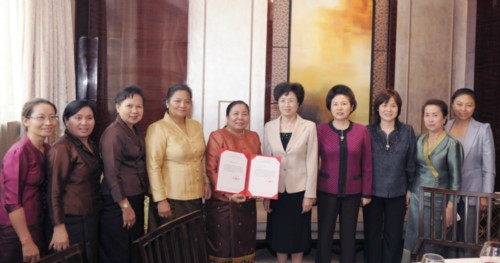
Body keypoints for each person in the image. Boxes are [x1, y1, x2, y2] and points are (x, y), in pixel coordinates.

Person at [316, 84, 373, 263]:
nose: (339, 108)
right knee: (325, 234)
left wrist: (366, 192)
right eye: (335, 104)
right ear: (329, 107)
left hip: (353, 191)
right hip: (326, 190)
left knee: (349, 235)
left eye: (344, 103)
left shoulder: (362, 130)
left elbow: (367, 163)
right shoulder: (320, 130)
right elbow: (312, 161)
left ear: (352, 106)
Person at [262, 82, 318, 263]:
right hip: (276, 189)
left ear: (298, 103)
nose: (287, 104)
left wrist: (310, 194)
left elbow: (312, 160)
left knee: (298, 233)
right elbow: (266, 160)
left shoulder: (309, 126)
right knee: (279, 232)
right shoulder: (269, 126)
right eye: (283, 100)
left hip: (299, 189)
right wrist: (266, 194)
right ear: (277, 102)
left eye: (291, 100)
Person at [403, 99, 463, 261]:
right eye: (427, 115)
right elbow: (412, 169)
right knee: (413, 237)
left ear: (444, 119)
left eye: (435, 115)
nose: (430, 119)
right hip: (417, 197)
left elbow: (456, 179)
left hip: (439, 201)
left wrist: (451, 206)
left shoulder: (452, 144)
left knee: (434, 239)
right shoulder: (418, 139)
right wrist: (409, 190)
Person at [145, 84, 211, 231]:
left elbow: (202, 157)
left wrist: (206, 181)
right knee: (173, 243)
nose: (183, 105)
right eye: (177, 101)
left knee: (192, 239)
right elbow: (153, 166)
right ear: (167, 103)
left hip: (195, 194)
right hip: (171, 197)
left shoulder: (196, 126)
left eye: (187, 101)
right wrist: (161, 199)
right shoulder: (157, 128)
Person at [0, 98, 58, 263]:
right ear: (25, 121)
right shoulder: (18, 153)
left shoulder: (47, 149)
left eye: (52, 117)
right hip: (16, 229)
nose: (48, 122)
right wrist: (26, 241)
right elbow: (12, 202)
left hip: (37, 221)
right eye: (41, 117)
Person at [363, 89, 416, 263]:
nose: (388, 109)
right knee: (372, 235)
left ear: (398, 109)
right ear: (377, 109)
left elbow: (411, 162)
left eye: (393, 105)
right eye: (384, 105)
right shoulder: (367, 131)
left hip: (398, 191)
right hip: (372, 192)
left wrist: (410, 189)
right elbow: (362, 163)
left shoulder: (407, 131)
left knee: (394, 236)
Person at [205, 101, 261, 263]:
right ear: (227, 116)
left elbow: (258, 167)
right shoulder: (217, 136)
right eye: (235, 113)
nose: (240, 118)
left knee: (245, 245)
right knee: (224, 247)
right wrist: (229, 194)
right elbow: (211, 169)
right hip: (223, 203)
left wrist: (259, 188)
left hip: (247, 202)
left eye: (244, 114)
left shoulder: (253, 136)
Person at [46, 100, 102, 263]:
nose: (84, 122)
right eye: (78, 118)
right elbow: (53, 191)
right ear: (66, 121)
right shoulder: (62, 148)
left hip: (90, 215)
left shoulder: (90, 143)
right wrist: (58, 226)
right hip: (71, 220)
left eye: (89, 118)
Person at [99, 86, 149, 263]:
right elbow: (111, 174)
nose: (134, 111)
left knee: (132, 250)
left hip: (133, 197)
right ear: (118, 107)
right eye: (129, 106)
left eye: (139, 106)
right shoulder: (113, 133)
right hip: (118, 202)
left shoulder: (133, 130)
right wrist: (125, 206)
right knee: (118, 252)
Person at [445, 88, 496, 257]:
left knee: (469, 240)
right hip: (448, 193)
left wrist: (485, 194)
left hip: (472, 192)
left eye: (469, 105)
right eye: (459, 104)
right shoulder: (446, 125)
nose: (463, 109)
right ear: (452, 104)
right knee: (448, 239)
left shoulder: (482, 129)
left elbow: (489, 167)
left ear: (475, 107)